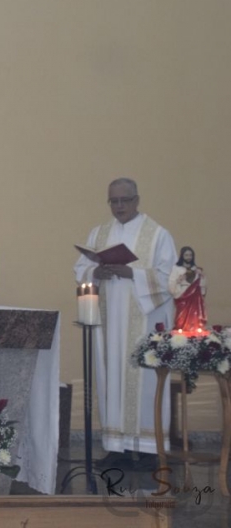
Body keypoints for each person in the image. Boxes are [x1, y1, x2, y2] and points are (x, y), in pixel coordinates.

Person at [74, 178, 176, 464]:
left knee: (144, 381)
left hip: (144, 322)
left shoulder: (158, 235)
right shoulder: (99, 233)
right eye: (114, 201)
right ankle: (116, 447)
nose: (119, 206)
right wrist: (96, 272)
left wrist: (132, 273)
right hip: (110, 324)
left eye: (125, 200)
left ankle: (148, 450)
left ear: (137, 200)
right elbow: (81, 269)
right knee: (111, 379)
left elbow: (170, 279)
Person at [168, 246, 206, 332]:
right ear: (182, 256)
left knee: (195, 315)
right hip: (182, 295)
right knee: (181, 317)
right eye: (186, 255)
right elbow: (171, 282)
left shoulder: (196, 269)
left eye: (190, 255)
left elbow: (201, 284)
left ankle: (195, 329)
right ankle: (181, 329)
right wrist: (179, 280)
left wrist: (201, 276)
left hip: (195, 296)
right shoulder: (176, 268)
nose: (189, 257)